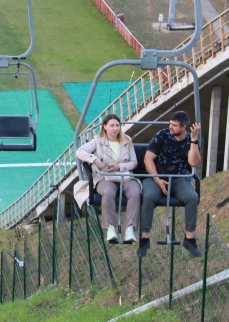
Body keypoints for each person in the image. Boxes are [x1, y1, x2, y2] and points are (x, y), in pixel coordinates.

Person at [138, 111, 202, 259]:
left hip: (178, 178)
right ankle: (144, 238)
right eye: (170, 124)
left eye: (174, 125)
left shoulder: (188, 140)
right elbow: (148, 159)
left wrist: (193, 140)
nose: (170, 127)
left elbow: (193, 162)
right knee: (149, 197)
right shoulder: (162, 135)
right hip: (156, 176)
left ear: (184, 127)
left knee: (192, 197)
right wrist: (158, 180)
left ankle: (190, 239)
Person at [75, 114, 141, 244]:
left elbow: (134, 162)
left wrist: (119, 167)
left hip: (124, 176)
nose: (115, 128)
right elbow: (79, 152)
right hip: (104, 178)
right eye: (112, 126)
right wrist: (95, 160)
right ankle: (110, 228)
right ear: (104, 127)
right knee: (108, 192)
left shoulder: (126, 140)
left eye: (117, 125)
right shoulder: (97, 141)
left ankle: (130, 228)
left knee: (135, 192)